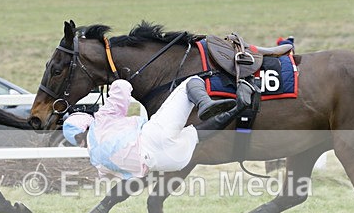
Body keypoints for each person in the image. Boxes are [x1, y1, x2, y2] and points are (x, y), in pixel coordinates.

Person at [62, 76, 252, 180]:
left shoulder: (98, 164)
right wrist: (111, 80)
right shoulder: (101, 120)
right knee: (190, 83)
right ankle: (205, 103)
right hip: (153, 139)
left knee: (195, 135)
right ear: (85, 124)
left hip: (169, 163)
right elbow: (122, 87)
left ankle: (239, 108)